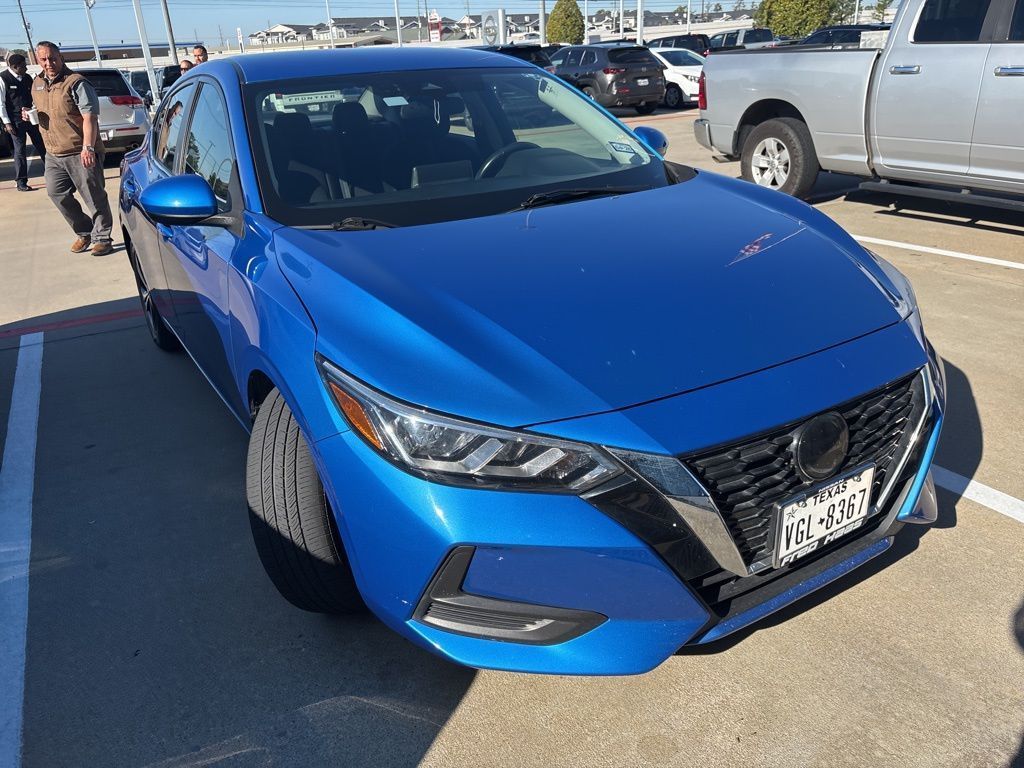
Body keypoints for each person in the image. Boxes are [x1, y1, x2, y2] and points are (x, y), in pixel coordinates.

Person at [30, 41, 114, 256]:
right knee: (57, 194)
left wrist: (88, 147)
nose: (49, 63)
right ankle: (85, 231)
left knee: (94, 197)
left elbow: (90, 117)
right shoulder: (37, 83)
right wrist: (28, 115)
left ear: (61, 57)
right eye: (43, 59)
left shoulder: (76, 83)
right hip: (53, 152)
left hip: (80, 151)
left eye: (52, 58)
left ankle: (103, 237)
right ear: (37, 60)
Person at [1, 53, 47, 192]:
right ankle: (21, 181)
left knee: (42, 146)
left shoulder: (27, 78)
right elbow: (1, 104)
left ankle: (53, 174)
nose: (26, 68)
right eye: (23, 66)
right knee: (20, 151)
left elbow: (34, 98)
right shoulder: (3, 79)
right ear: (15, 67)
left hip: (31, 119)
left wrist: (33, 109)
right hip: (15, 122)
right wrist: (7, 123)